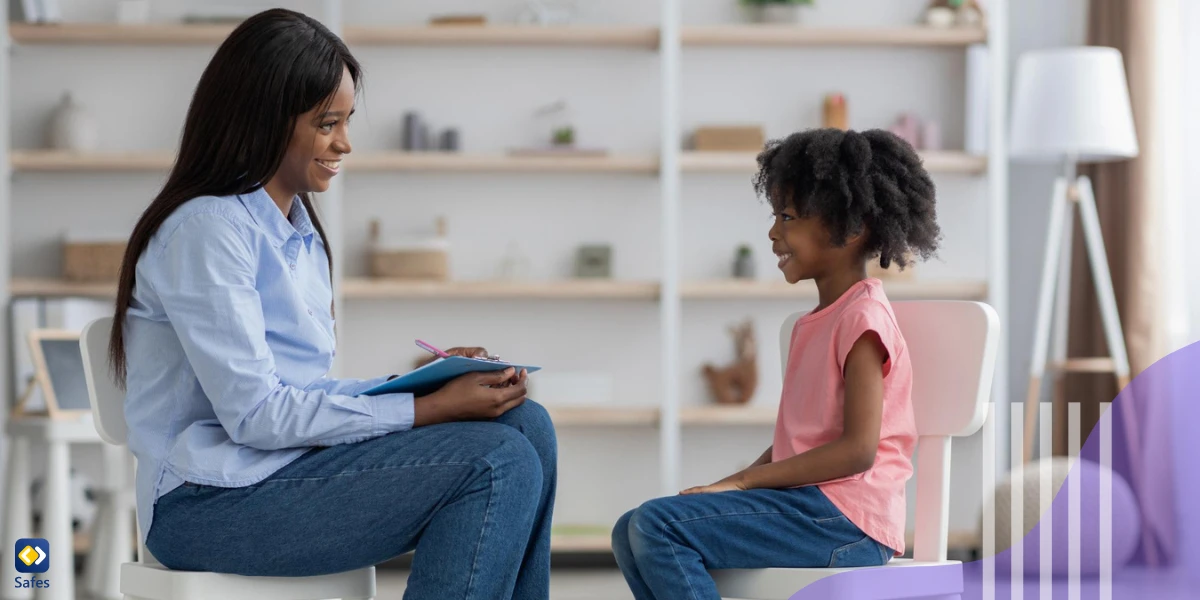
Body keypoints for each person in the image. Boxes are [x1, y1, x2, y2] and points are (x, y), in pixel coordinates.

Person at [108, 9, 555, 599]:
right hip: (206, 503)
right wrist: (428, 411)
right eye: (327, 124)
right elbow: (258, 415)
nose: (345, 142)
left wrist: (424, 388)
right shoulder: (207, 231)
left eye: (344, 121)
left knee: (527, 425)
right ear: (264, 120)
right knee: (496, 460)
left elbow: (302, 393)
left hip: (278, 472)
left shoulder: (297, 234)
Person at [611, 128, 942, 599]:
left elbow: (857, 451)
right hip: (812, 508)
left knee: (655, 526)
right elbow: (796, 442)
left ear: (850, 228)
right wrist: (733, 484)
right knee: (630, 529)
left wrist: (746, 482)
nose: (773, 231)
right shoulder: (814, 323)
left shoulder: (863, 318)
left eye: (787, 216)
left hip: (849, 521)